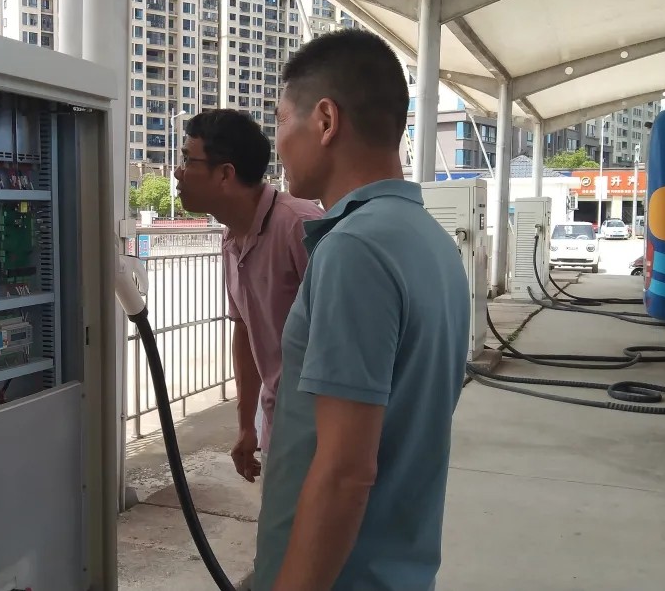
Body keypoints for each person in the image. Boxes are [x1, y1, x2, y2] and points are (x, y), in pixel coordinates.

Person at [253, 29, 470, 590]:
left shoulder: (354, 249)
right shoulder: (430, 241)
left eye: (282, 121)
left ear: (326, 120)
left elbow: (345, 472)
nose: (278, 144)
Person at [174, 109, 323, 484]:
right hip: (277, 421)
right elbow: (245, 329)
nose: (177, 172)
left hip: (322, 433)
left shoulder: (300, 226)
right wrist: (246, 425)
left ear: (225, 174)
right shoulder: (230, 237)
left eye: (188, 160)